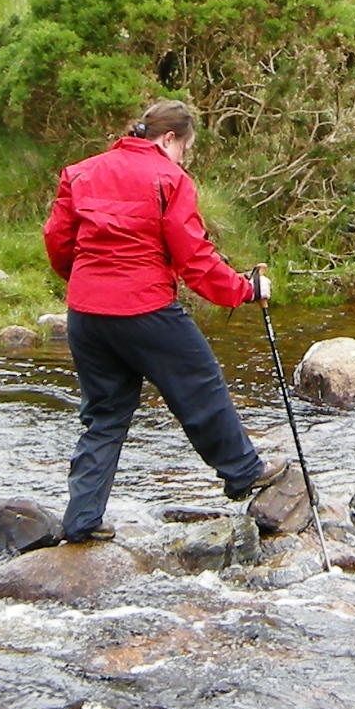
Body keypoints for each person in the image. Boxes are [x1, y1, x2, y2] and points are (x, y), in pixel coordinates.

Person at [41, 98, 310, 549]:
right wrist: (245, 290)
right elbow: (195, 260)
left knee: (104, 416)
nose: (184, 157)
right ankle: (243, 472)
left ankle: (82, 519)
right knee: (200, 385)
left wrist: (89, 282)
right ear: (169, 140)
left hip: (87, 314)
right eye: (185, 148)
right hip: (145, 308)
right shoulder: (169, 178)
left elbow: (58, 241)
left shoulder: (81, 172)